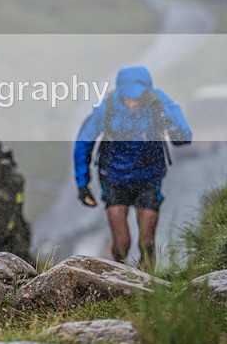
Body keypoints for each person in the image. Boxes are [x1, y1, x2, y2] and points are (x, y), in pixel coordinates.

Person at [73, 65, 191, 269]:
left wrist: (169, 127)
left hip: (149, 178)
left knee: (147, 244)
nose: (133, 103)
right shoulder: (107, 107)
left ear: (147, 92)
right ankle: (118, 277)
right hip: (114, 178)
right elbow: (84, 142)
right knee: (121, 245)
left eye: (138, 98)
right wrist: (83, 184)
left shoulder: (159, 103)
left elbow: (184, 137)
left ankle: (148, 285)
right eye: (128, 98)